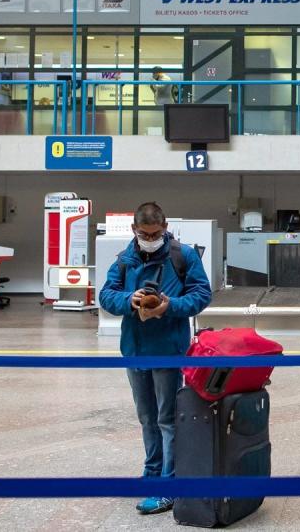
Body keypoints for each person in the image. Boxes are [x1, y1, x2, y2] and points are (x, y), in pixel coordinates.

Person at [99, 202, 212, 515]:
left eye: (157, 233)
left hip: (168, 350)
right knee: (147, 417)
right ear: (135, 230)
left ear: (165, 229)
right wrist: (128, 299)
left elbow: (202, 294)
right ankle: (151, 474)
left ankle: (169, 483)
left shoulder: (183, 255)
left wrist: (169, 306)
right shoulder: (125, 259)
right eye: (145, 233)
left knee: (167, 418)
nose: (151, 238)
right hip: (135, 350)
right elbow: (106, 295)